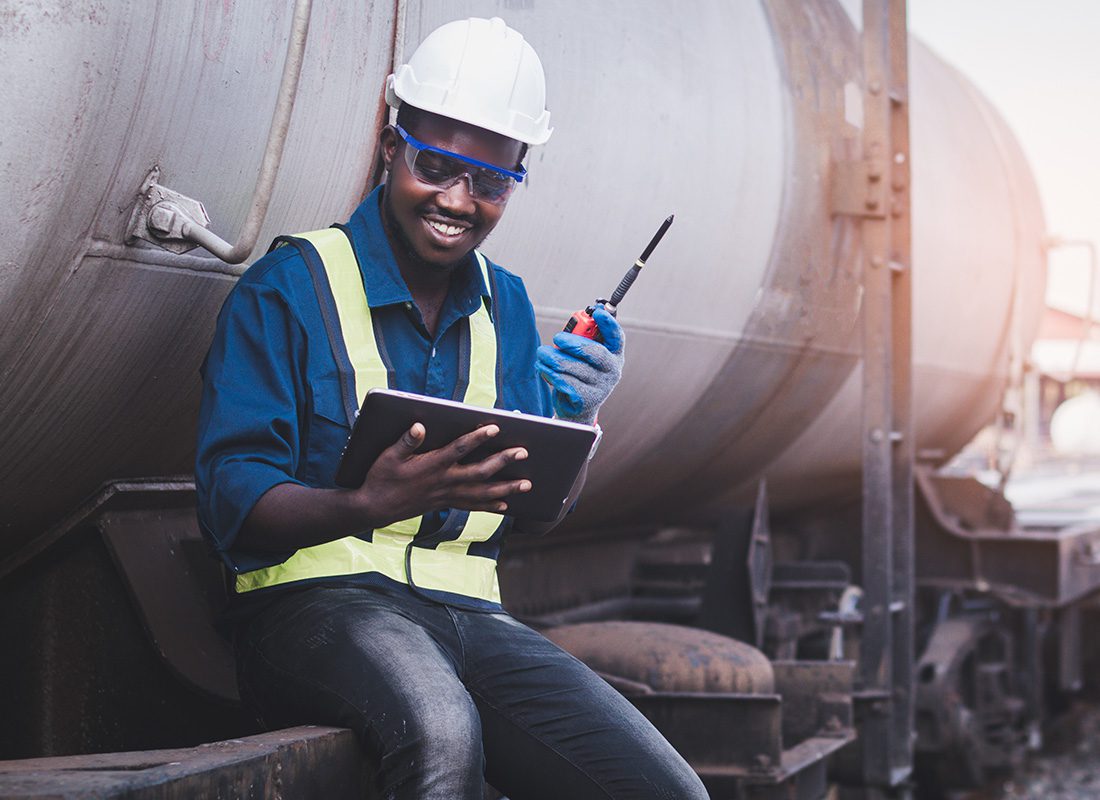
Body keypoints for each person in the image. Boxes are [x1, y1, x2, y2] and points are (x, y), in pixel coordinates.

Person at [195, 16, 708, 800]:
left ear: (515, 180)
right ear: (391, 145)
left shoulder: (506, 306)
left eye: (492, 182)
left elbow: (533, 512)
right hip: (312, 616)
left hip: (469, 618)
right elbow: (232, 501)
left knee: (667, 790)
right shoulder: (290, 287)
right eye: (436, 166)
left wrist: (576, 417)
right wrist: (367, 503)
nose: (458, 200)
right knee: (440, 733)